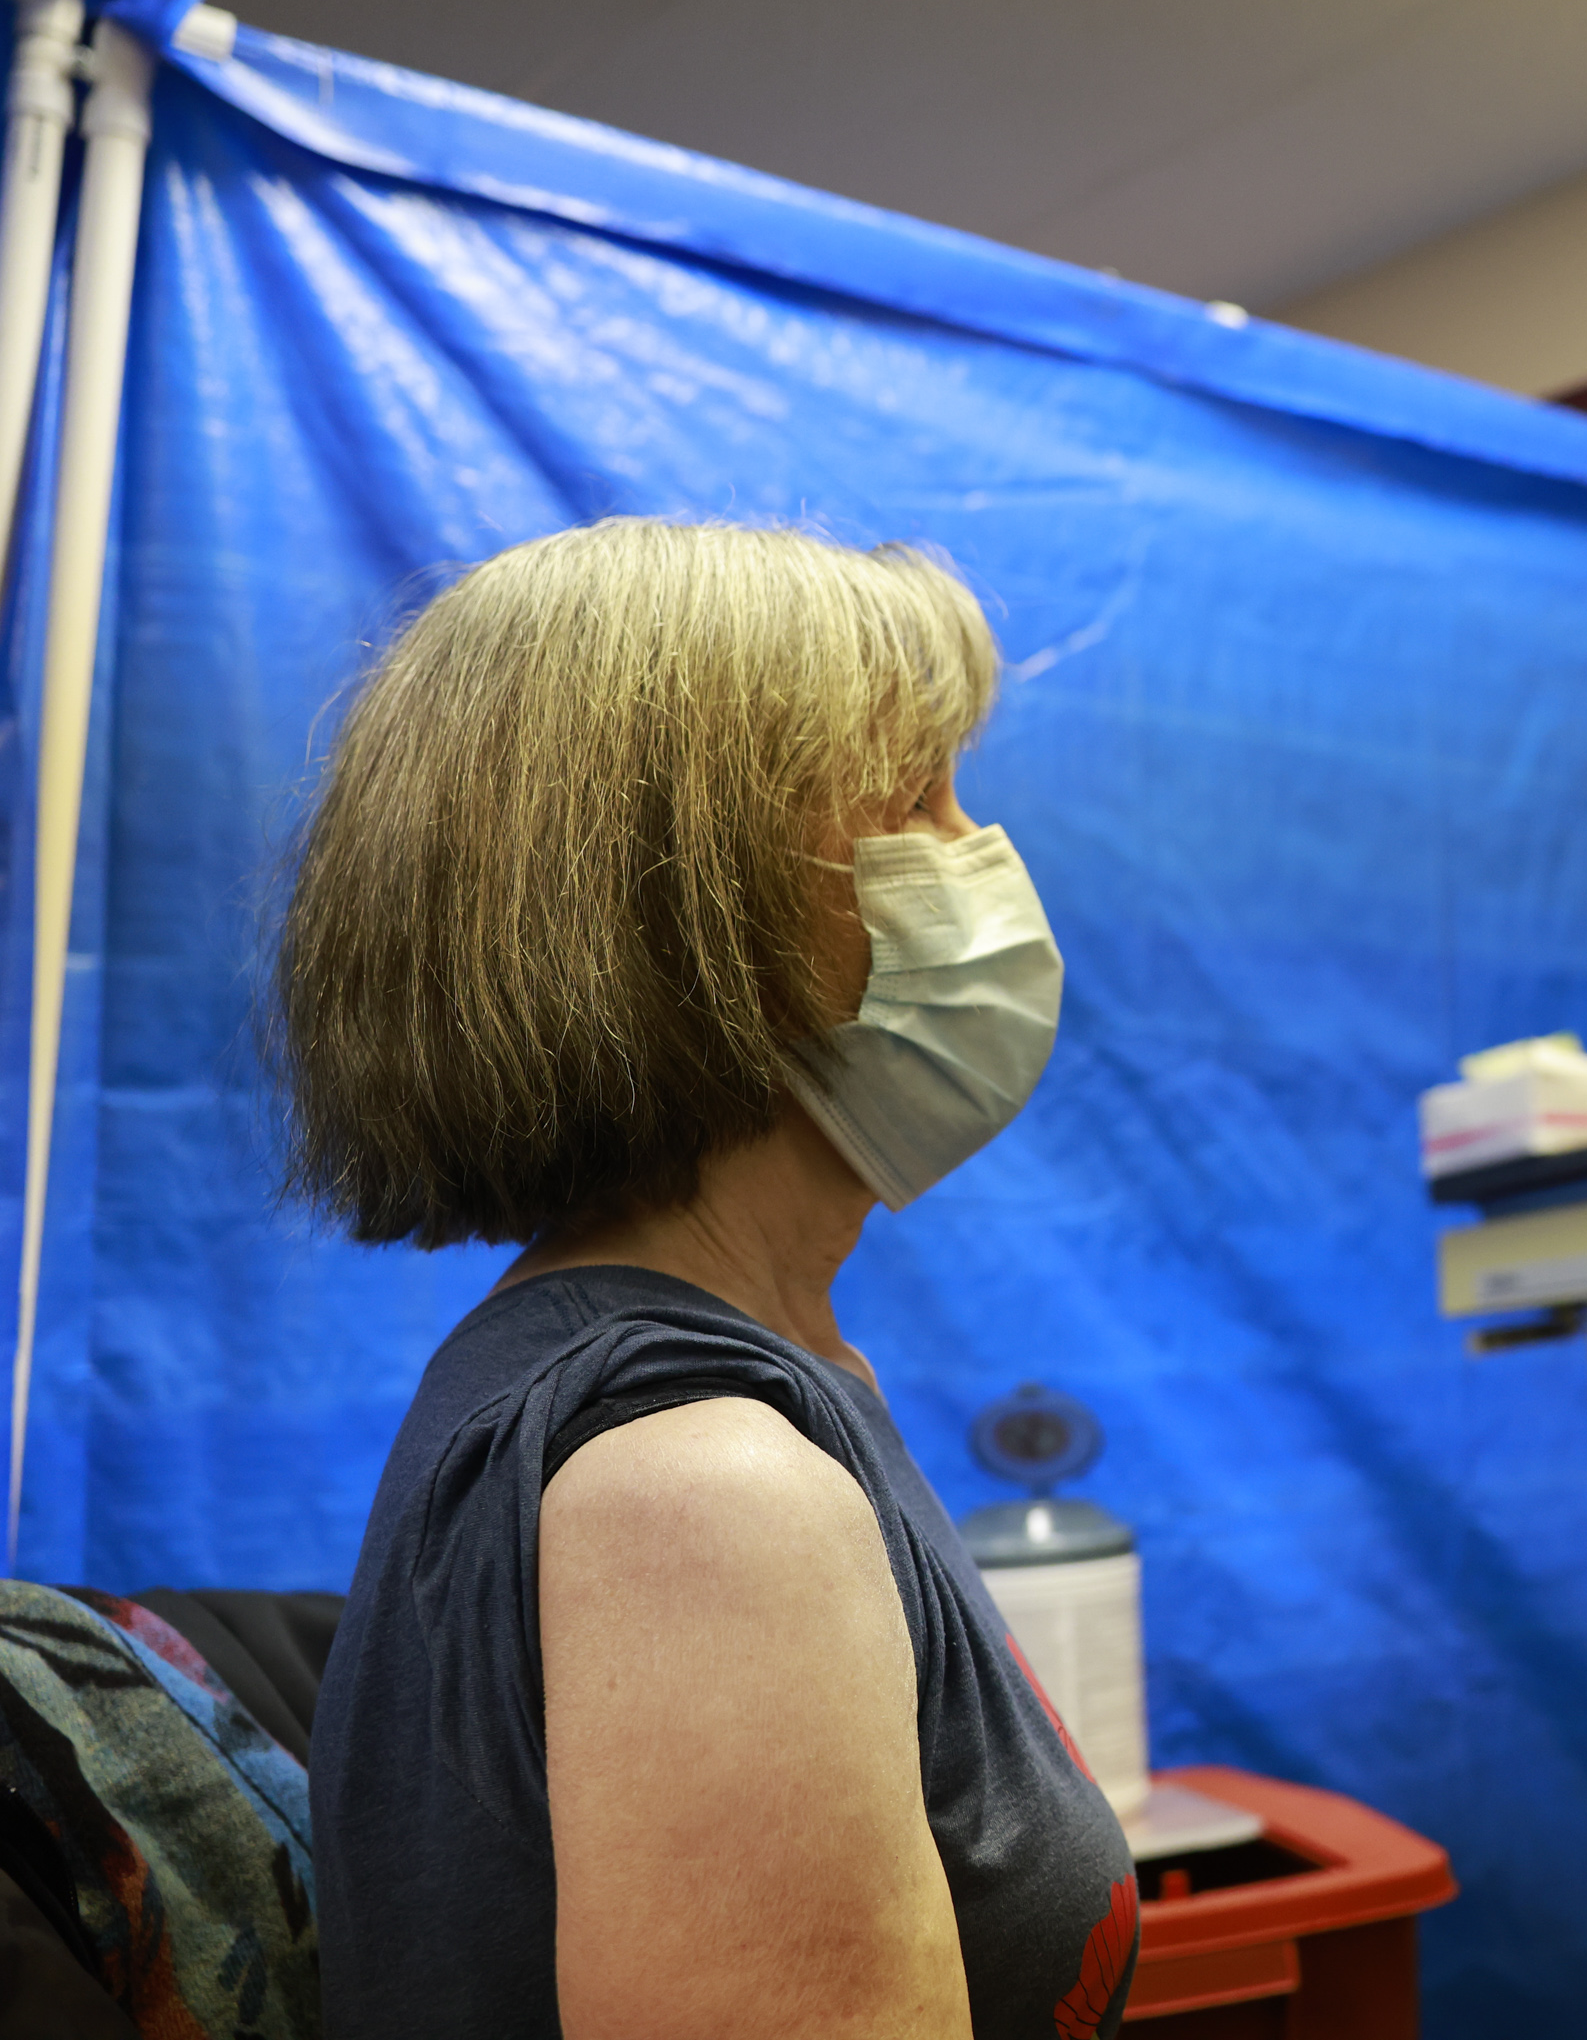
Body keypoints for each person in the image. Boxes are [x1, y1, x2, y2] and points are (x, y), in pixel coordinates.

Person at [289, 520, 1137, 2039]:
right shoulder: (701, 1492)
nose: (982, 858)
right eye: (915, 799)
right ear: (689, 908)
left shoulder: (717, 1391)